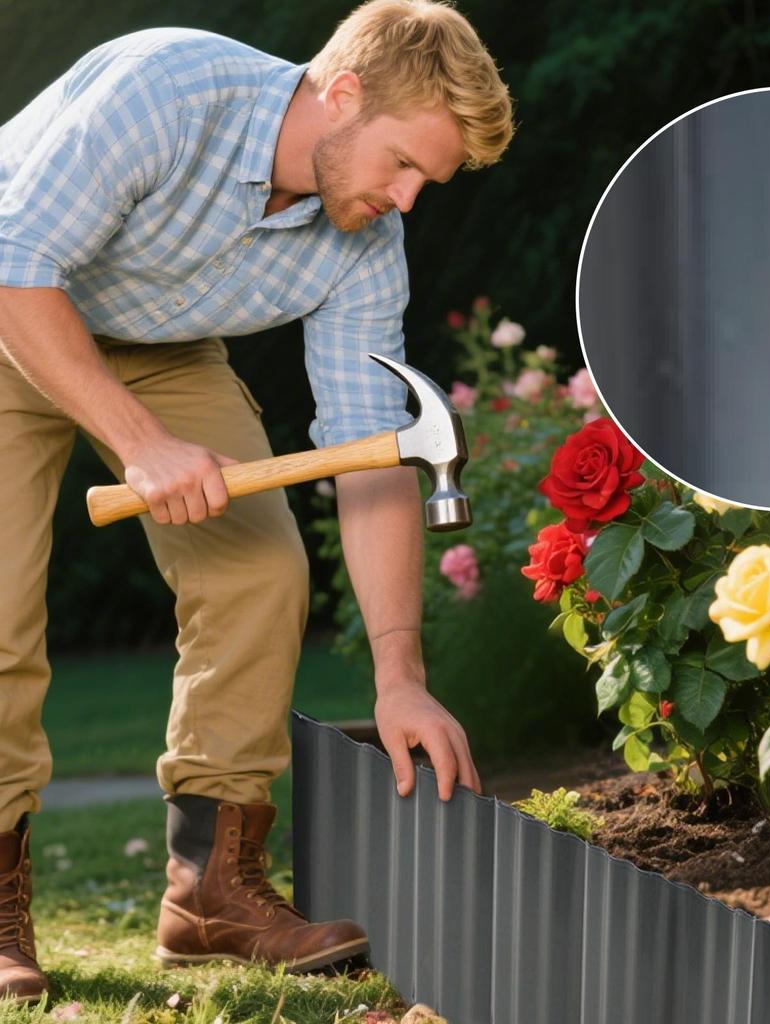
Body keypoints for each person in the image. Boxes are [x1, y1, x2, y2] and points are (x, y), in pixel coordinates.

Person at [0, 0, 514, 1003]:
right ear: (345, 94)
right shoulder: (164, 90)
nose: (407, 200)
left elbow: (372, 456)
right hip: (14, 298)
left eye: (428, 182)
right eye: (402, 165)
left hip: (156, 344)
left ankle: (210, 887)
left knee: (262, 569)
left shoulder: (363, 244)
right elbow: (16, 268)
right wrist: (143, 445)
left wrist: (397, 674)